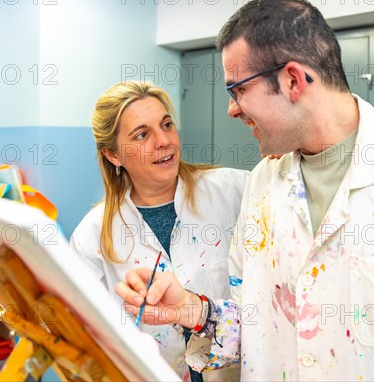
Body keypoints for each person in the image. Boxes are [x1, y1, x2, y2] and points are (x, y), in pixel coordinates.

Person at [117, 0, 374, 382]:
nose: (232, 109)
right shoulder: (262, 183)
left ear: (293, 80)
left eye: (238, 90)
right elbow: (256, 330)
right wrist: (191, 309)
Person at [70, 81, 246, 382]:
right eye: (142, 134)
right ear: (113, 155)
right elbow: (85, 334)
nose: (164, 141)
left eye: (167, 125)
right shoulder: (93, 235)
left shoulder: (235, 191)